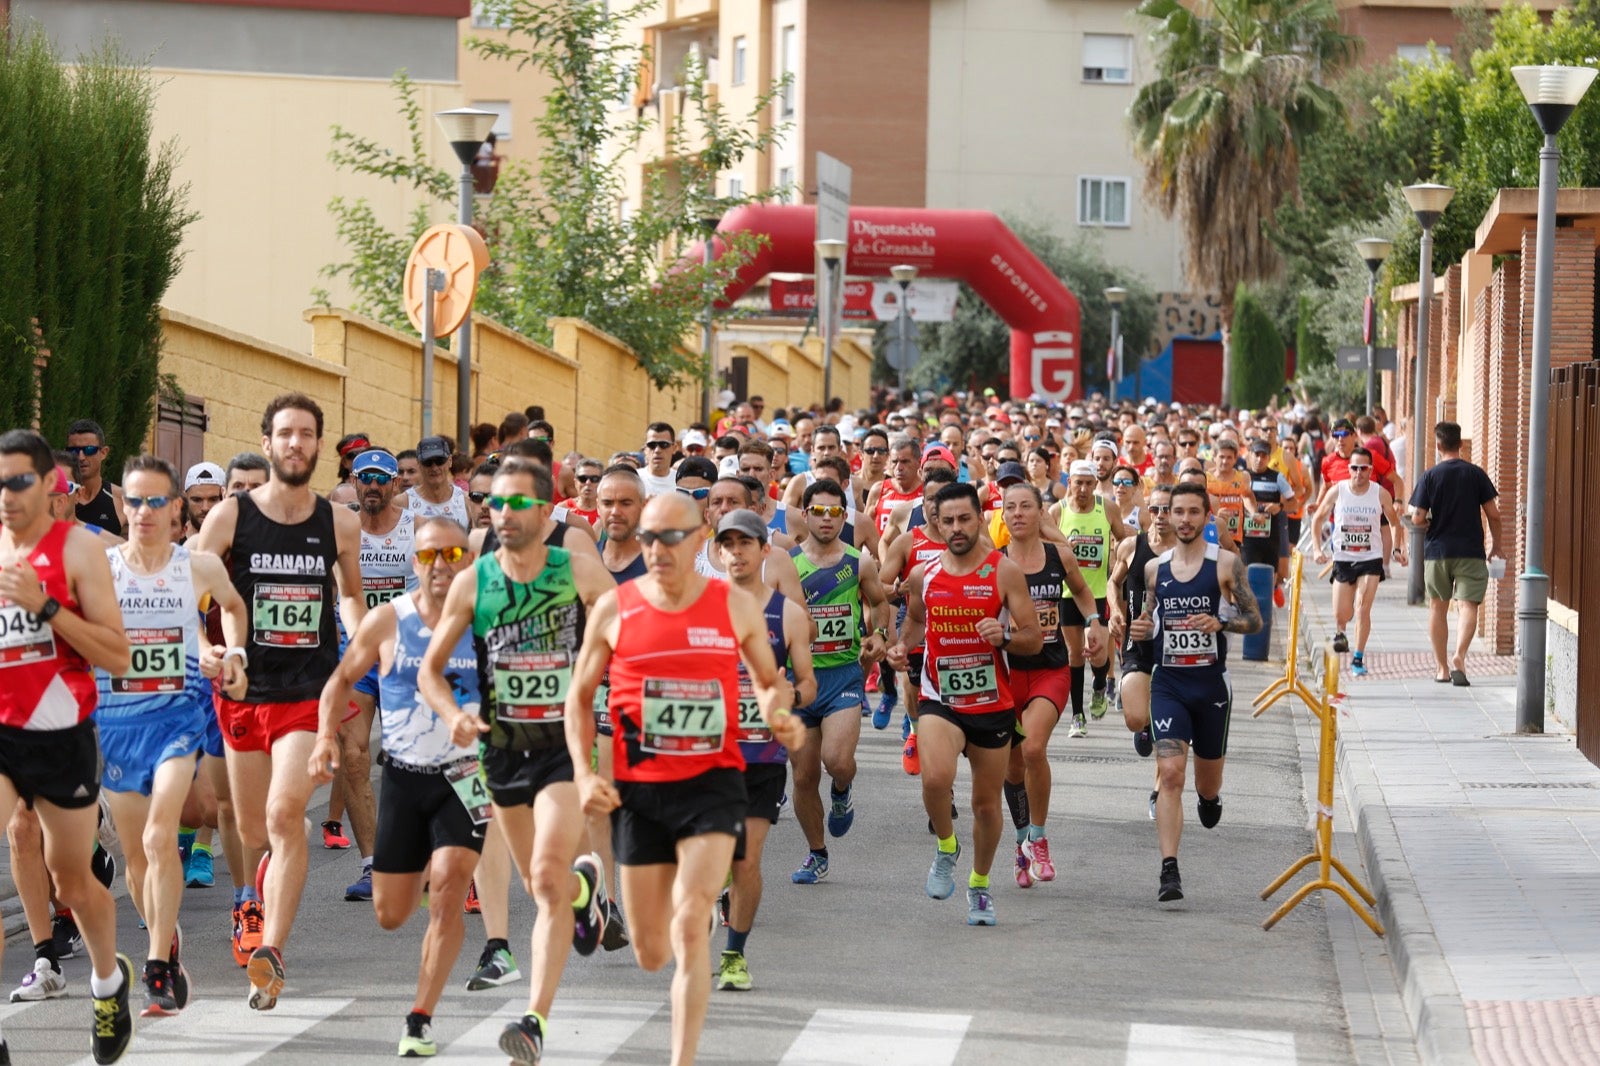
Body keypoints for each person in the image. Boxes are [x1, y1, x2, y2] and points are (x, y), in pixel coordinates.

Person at [565, 491, 804, 1066]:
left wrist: (777, 713)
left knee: (693, 918)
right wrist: (580, 773)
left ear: (699, 538)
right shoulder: (615, 608)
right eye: (648, 537)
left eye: (670, 537)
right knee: (651, 951)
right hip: (641, 791)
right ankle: (598, 900)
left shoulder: (733, 607)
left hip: (713, 784)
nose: (656, 549)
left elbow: (771, 681)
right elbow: (577, 699)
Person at [417, 457, 615, 1066]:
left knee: (548, 881)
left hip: (563, 747)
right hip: (501, 753)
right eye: (494, 504)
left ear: (546, 510)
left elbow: (629, 638)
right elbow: (431, 671)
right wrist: (452, 714)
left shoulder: (580, 571)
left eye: (516, 503)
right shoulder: (475, 582)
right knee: (538, 883)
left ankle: (532, 1021)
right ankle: (590, 893)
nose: (501, 513)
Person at [192, 393, 366, 1010]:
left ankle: (271, 948)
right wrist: (206, 650)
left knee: (286, 813)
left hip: (307, 691)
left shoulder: (339, 523)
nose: (296, 443)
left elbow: (350, 597)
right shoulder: (231, 518)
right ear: (267, 443)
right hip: (243, 692)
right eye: (285, 433)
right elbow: (193, 596)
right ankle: (261, 883)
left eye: (307, 434)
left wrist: (357, 639)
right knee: (252, 827)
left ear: (319, 446)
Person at [310, 517, 486, 1057]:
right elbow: (341, 680)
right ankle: (426, 865)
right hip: (406, 779)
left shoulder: (486, 622)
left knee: (452, 887)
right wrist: (325, 739)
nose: (441, 565)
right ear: (414, 561)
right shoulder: (390, 620)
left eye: (452, 553)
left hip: (466, 777)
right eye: (429, 555)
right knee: (390, 913)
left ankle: (419, 1017)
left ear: (467, 559)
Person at [0, 428, 136, 1064]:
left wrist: (46, 606)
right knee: (17, 837)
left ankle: (108, 983)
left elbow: (116, 652)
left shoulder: (78, 550)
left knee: (74, 880)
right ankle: (36, 966)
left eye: (20, 480)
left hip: (61, 735)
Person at [96, 455, 248, 1017]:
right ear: (123, 507)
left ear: (176, 508)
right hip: (117, 723)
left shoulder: (198, 566)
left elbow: (232, 608)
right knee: (137, 857)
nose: (144, 512)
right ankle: (168, 933)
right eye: (134, 501)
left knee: (163, 838)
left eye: (156, 501)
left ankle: (158, 966)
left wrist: (229, 653)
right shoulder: (102, 568)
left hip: (178, 717)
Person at [888, 482, 1042, 926]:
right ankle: (946, 846)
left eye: (964, 519)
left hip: (992, 703)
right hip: (941, 697)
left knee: (986, 805)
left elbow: (1033, 637)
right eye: (947, 520)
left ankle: (979, 884)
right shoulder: (925, 574)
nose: (956, 528)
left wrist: (1007, 636)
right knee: (935, 779)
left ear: (979, 520)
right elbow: (916, 620)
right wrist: (901, 647)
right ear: (935, 523)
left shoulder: (1003, 571)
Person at [1128, 482, 1261, 902]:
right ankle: (1169, 870)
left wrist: (1221, 624)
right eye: (1176, 511)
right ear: (1163, 515)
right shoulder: (1156, 569)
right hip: (1168, 683)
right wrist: (1142, 629)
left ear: (1206, 518)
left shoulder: (1226, 564)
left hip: (1210, 686)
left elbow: (1254, 620)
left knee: (1205, 782)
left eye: (1191, 512)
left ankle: (1211, 797)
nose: (1183, 519)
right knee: (1170, 774)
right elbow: (1149, 618)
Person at [711, 510, 816, 991]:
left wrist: (787, 696)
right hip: (703, 757)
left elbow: (809, 683)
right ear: (716, 552)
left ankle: (734, 955)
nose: (736, 551)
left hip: (760, 757)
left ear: (764, 550)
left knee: (746, 861)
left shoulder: (787, 614)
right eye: (727, 544)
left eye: (745, 543)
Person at [999, 481, 1101, 889]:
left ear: (1042, 513)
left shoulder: (1059, 555)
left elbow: (1081, 592)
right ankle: (1021, 841)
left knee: (1034, 747)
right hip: (1006, 673)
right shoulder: (994, 561)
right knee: (1011, 766)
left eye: (1027, 506)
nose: (1019, 513)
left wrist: (1094, 623)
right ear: (1002, 516)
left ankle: (1038, 839)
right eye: (1011, 507)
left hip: (1050, 669)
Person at [787, 478, 889, 885]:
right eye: (819, 511)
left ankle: (843, 790)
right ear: (805, 514)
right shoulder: (788, 564)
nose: (826, 519)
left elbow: (880, 604)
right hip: (799, 681)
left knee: (838, 761)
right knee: (804, 776)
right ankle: (816, 853)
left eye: (834, 512)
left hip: (843, 675)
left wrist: (879, 635)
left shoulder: (858, 563)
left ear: (844, 517)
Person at [334, 448, 415, 900]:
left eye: (380, 478)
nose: (371, 485)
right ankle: (373, 865)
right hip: (355, 652)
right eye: (362, 476)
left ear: (395, 484)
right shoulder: (339, 527)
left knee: (412, 759)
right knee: (354, 753)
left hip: (405, 653)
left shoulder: (415, 530)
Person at [1407, 421, 1502, 686]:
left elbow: (1417, 517)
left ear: (1438, 445)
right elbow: (1494, 514)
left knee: (1438, 606)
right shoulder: (1476, 474)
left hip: (1437, 551)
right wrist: (1498, 545)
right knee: (1468, 605)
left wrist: (1425, 523)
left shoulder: (1429, 476)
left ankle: (1442, 669)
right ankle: (1460, 655)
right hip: (1471, 550)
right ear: (1461, 444)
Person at [1310, 447, 1406, 675]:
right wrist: (1315, 549)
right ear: (1348, 469)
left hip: (1370, 558)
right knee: (1341, 613)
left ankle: (1358, 659)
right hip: (1343, 558)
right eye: (1354, 468)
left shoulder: (1380, 493)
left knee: (1363, 609)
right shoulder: (1337, 491)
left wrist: (1397, 548)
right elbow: (1318, 519)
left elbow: (1394, 522)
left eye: (1364, 468)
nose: (1359, 473)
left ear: (1371, 470)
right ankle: (1341, 630)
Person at [1049, 460, 1128, 735]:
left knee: (1096, 653)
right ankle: (1077, 716)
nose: (1082, 489)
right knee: (1074, 654)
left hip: (1097, 593)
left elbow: (1124, 540)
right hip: (1068, 594)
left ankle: (1098, 685)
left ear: (1096, 484)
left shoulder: (1106, 508)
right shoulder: (1056, 512)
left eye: (1088, 483)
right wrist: (1062, 548)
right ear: (1069, 482)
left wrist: (1119, 568)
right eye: (1077, 482)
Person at [1109, 485, 1178, 781]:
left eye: (1167, 510)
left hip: (1175, 647)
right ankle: (1147, 726)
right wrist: (1114, 610)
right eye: (1155, 509)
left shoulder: (1187, 551)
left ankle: (1160, 790)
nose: (1161, 516)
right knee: (1136, 718)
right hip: (1137, 643)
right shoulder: (1131, 546)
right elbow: (1113, 583)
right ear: (1147, 512)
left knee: (1169, 726)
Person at [408, 436, 471, 526]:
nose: (434, 468)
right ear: (418, 464)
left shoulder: (466, 501)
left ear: (450, 461)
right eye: (428, 462)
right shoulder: (403, 502)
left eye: (439, 461)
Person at [639, 423, 679, 497]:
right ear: (645, 449)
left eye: (664, 444)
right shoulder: (635, 479)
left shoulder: (681, 481)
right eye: (652, 445)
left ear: (674, 448)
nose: (657, 450)